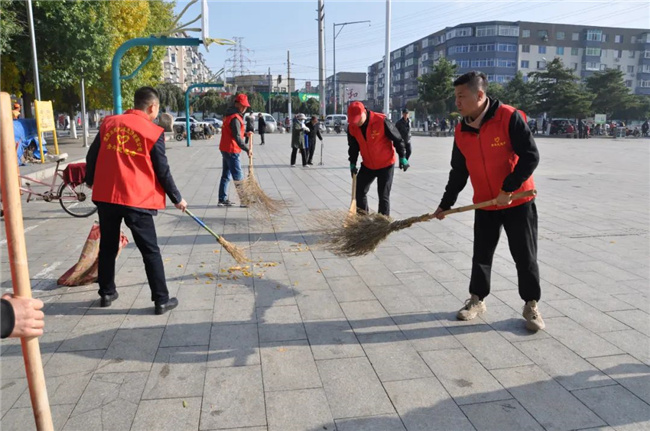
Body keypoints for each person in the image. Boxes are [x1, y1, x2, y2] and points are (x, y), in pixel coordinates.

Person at [431, 71, 544, 331]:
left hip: (517, 201)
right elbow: (459, 171)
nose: (457, 102)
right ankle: (476, 300)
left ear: (480, 95)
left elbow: (531, 156)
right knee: (481, 255)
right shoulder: (461, 130)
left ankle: (531, 305)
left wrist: (508, 188)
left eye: (462, 96)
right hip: (485, 203)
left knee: (525, 256)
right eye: (456, 96)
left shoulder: (508, 117)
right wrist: (445, 204)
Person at [85, 86, 186, 315]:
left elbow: (92, 156)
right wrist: (177, 198)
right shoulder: (153, 132)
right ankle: (161, 299)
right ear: (152, 107)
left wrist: (90, 180)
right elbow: (162, 170)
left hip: (107, 197)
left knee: (108, 246)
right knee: (150, 250)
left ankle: (106, 293)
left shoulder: (109, 123)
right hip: (137, 199)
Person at [347, 101, 408, 217]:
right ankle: (363, 220)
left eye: (358, 119)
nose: (357, 123)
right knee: (359, 191)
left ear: (364, 112)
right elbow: (353, 146)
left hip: (386, 164)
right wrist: (352, 163)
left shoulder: (381, 121)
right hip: (368, 165)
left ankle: (382, 223)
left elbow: (397, 139)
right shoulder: (352, 127)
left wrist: (402, 157)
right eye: (354, 121)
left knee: (383, 196)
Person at [218, 93, 253, 206]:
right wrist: (247, 149)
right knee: (238, 175)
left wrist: (246, 134)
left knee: (226, 175)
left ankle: (222, 199)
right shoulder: (235, 118)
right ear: (237, 104)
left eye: (245, 106)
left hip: (225, 148)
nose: (245, 108)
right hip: (231, 149)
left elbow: (234, 132)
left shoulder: (229, 115)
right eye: (243, 106)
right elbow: (237, 137)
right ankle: (244, 200)